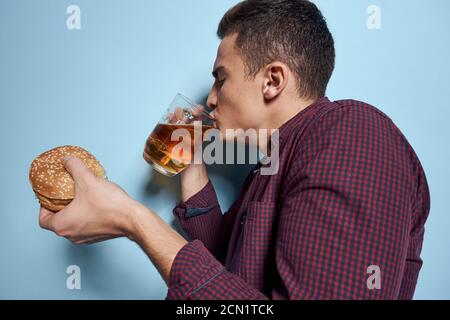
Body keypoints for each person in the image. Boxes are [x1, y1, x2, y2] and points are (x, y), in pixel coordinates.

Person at [38, 0, 430, 299]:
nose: (210, 99)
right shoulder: (272, 165)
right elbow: (227, 276)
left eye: (220, 79)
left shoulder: (352, 133)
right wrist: (192, 168)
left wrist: (134, 220)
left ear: (272, 80)